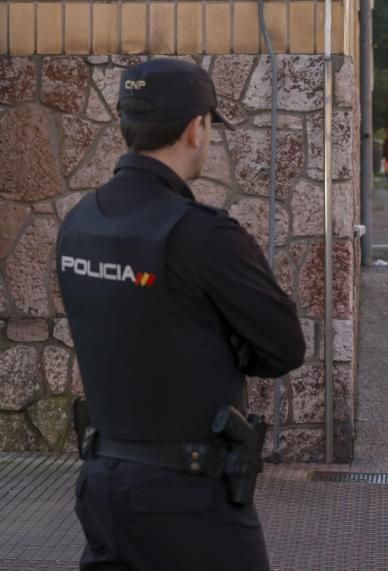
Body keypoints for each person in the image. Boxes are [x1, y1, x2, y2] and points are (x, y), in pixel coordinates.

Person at [56, 58, 306, 570]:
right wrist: (229, 342)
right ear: (196, 128)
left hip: (102, 484)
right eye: (210, 126)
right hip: (188, 501)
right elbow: (284, 347)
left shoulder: (79, 223)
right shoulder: (203, 234)